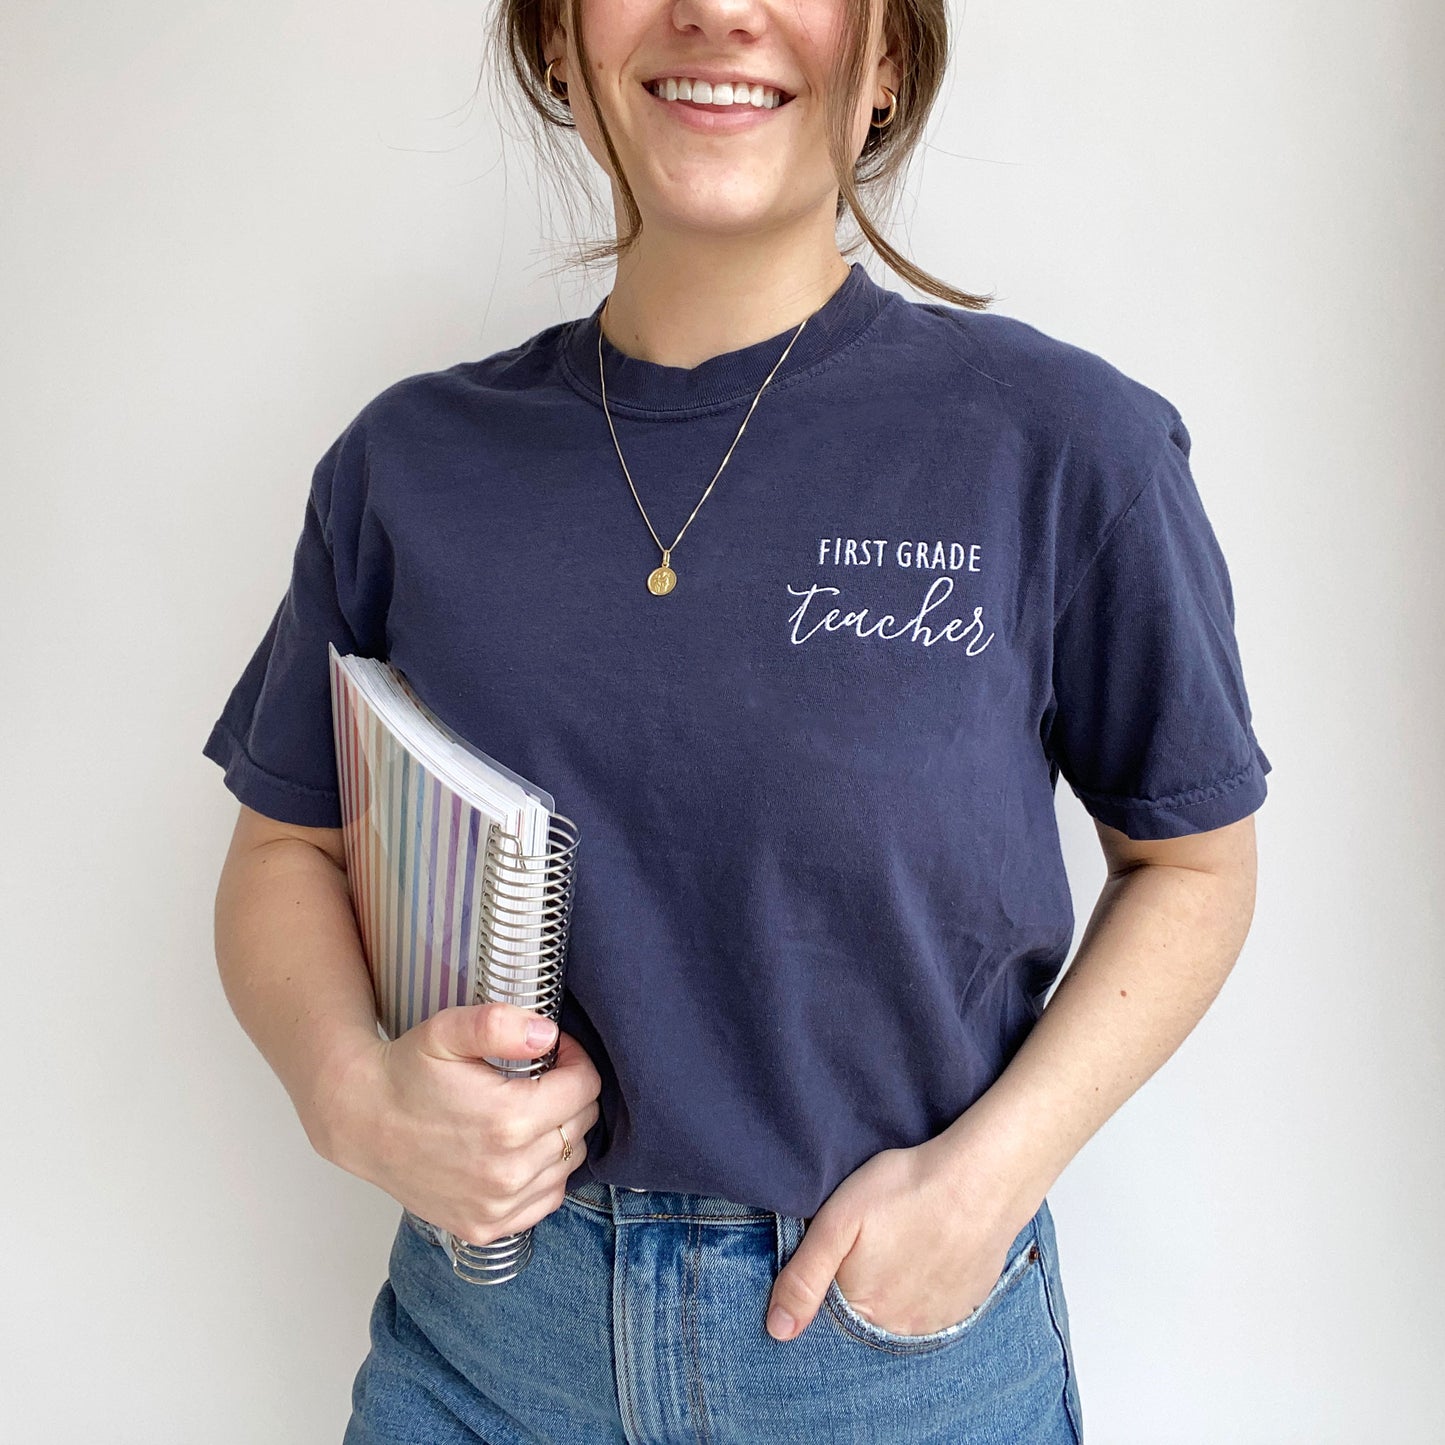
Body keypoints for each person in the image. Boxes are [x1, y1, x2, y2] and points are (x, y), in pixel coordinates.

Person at [203, 0, 1271, 1438]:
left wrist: (986, 1181)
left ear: (887, 60)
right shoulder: (406, 463)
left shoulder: (1066, 447)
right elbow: (285, 849)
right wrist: (349, 1093)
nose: (715, 9)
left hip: (887, 1358)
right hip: (482, 1352)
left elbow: (1192, 863)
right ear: (559, 43)